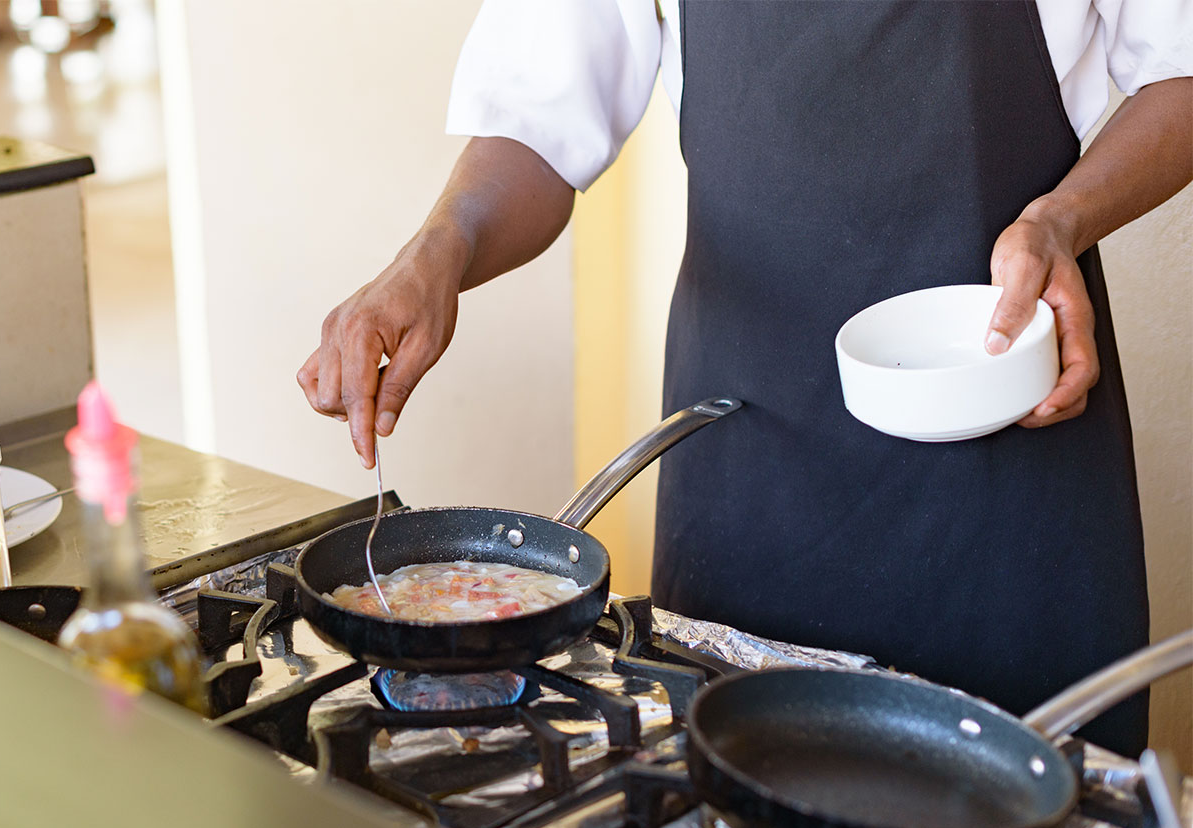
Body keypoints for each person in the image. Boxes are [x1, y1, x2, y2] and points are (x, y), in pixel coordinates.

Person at [298, 1, 1191, 756]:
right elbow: (538, 116)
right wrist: (437, 251)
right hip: (753, 452)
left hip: (1010, 449)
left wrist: (1064, 219)